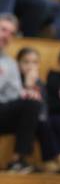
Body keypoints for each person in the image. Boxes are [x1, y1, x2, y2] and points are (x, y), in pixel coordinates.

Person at [0, 13, 40, 173]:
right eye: (3, 29)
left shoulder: (10, 64)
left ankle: (18, 160)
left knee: (32, 103)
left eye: (11, 33)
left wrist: (29, 88)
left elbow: (15, 95)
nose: (6, 35)